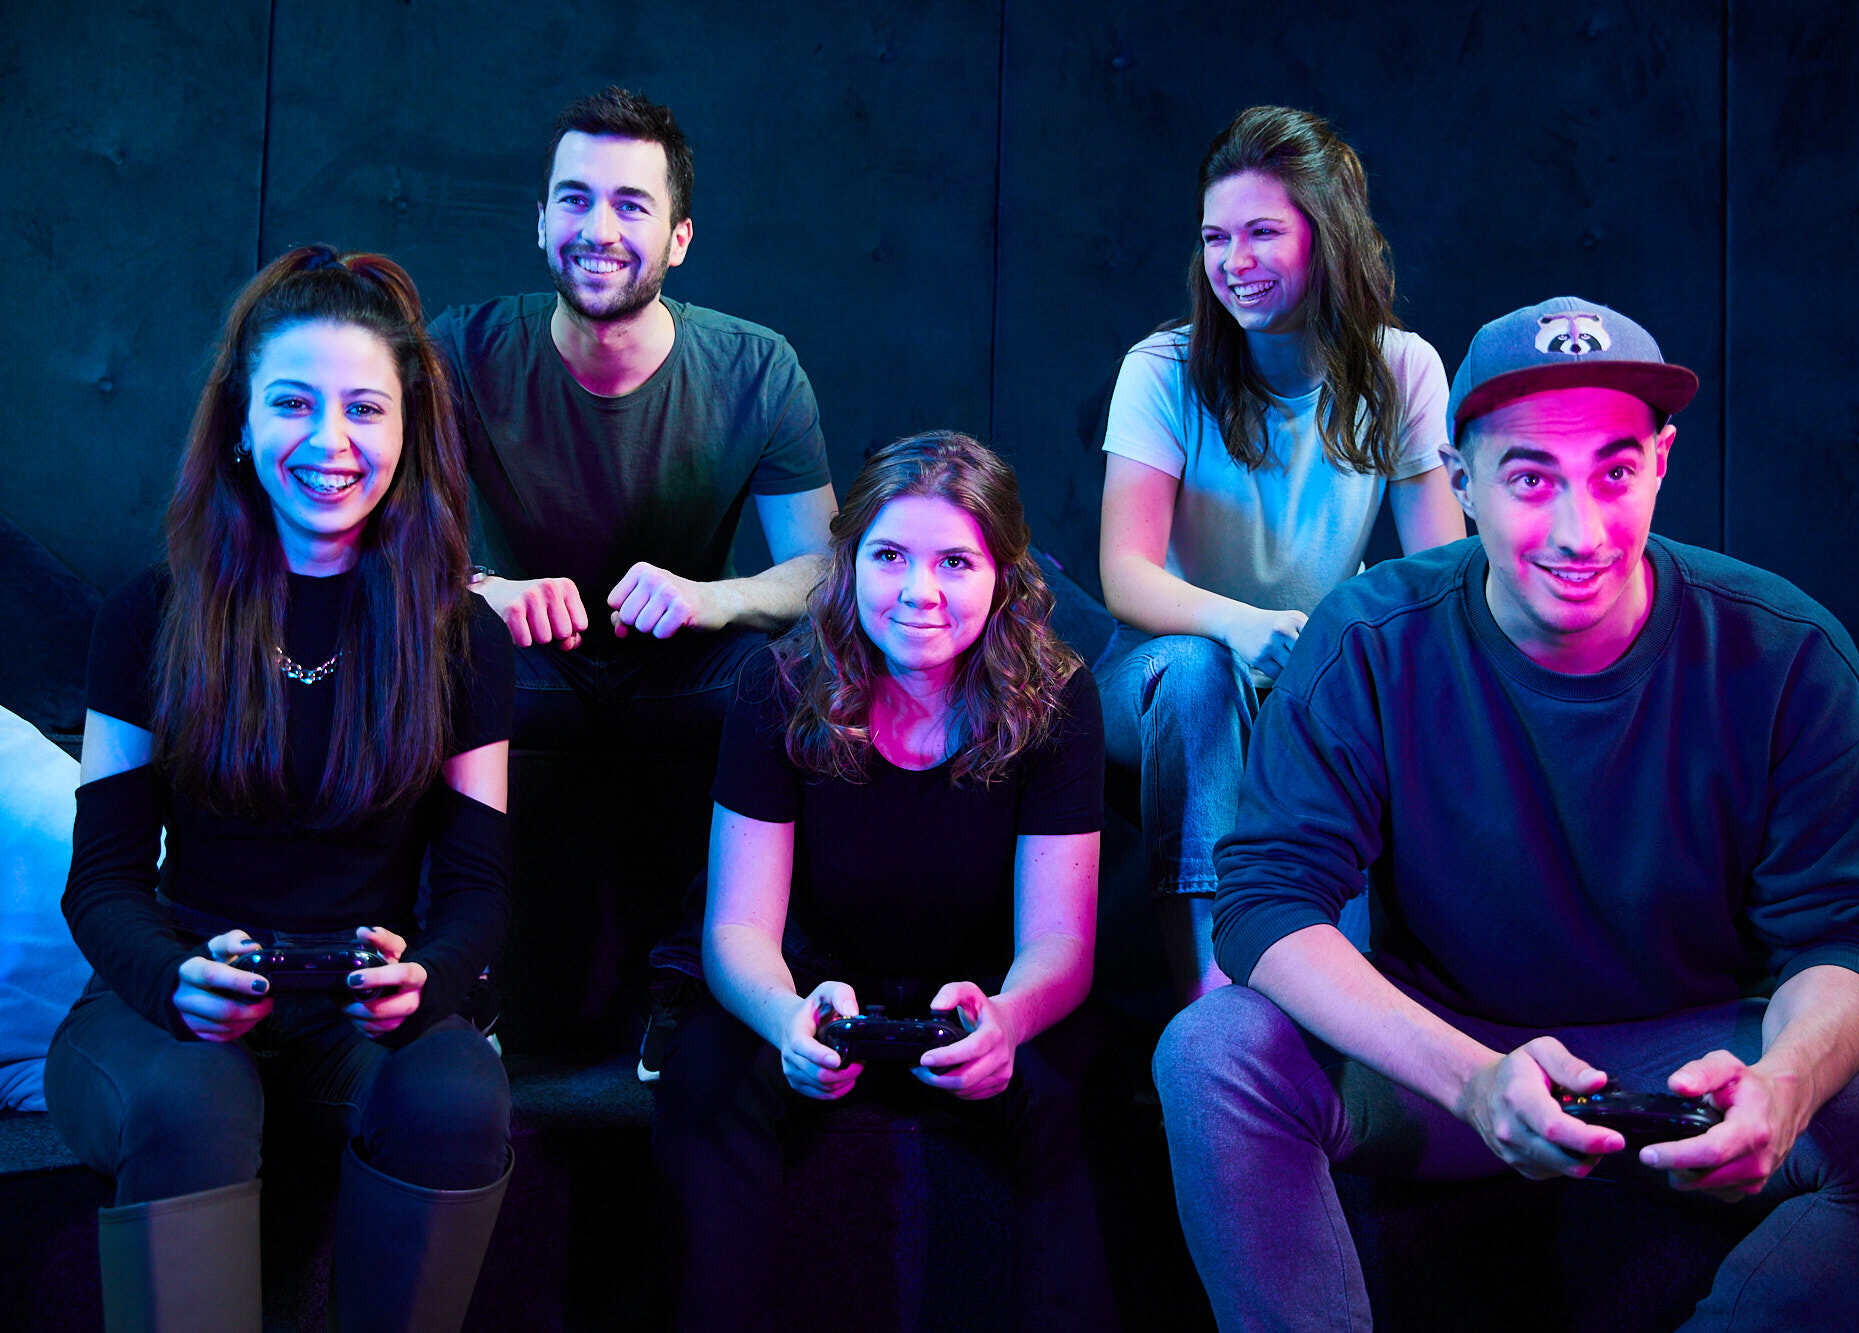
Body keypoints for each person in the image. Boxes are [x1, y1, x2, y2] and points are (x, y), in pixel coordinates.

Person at [1152, 296, 1859, 1330]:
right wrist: (1472, 1080)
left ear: (1660, 463)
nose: (1578, 530)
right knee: (1213, 1050)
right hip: (1451, 1050)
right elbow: (1266, 903)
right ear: (1460, 480)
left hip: (1694, 1061)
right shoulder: (1371, 637)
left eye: (1613, 471)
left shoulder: (1786, 653)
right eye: (1528, 478)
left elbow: (1845, 936)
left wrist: (1782, 1083)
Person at [46, 247, 516, 1333]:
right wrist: (176, 978)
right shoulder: (149, 615)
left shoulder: (463, 638)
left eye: (365, 409)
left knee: (456, 1094)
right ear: (242, 425)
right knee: (192, 1094)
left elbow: (478, 888)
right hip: (163, 997)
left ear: (408, 431)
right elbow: (103, 880)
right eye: (294, 403)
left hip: (356, 1001)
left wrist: (427, 979)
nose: (330, 442)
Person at [650, 431, 1114, 1329]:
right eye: (890, 555)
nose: (918, 591)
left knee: (1070, 1092)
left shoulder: (1057, 696)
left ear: (1002, 576)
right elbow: (736, 928)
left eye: (955, 562)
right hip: (812, 982)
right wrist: (786, 1017)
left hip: (983, 990)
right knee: (705, 1082)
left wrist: (1007, 1020)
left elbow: (1062, 939)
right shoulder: (779, 683)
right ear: (850, 562)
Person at [428, 86, 838, 1038]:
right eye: (575, 200)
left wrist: (714, 598)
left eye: (631, 205)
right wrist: (486, 593)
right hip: (525, 664)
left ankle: (697, 981)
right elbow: (389, 544)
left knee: (806, 673)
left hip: (685, 667)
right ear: (541, 222)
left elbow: (824, 569)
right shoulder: (463, 350)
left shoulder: (756, 368)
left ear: (679, 238)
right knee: (430, 655)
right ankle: (458, 974)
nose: (599, 229)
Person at [1095, 105, 1464, 1005]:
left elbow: (1442, 578)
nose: (1234, 261)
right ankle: (1211, 1004)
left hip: (1305, 670)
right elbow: (1125, 575)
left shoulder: (1404, 368)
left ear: (1326, 237)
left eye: (1262, 232)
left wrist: (1348, 639)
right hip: (1159, 677)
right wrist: (1240, 625)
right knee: (1198, 672)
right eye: (1215, 237)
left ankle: (1348, 1008)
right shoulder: (1163, 367)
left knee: (1380, 679)